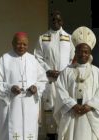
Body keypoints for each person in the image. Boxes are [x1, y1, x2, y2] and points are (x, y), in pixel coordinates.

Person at [54, 26, 99, 140]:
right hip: (71, 114)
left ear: (89, 53)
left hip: (90, 115)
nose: (82, 54)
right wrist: (72, 105)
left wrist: (90, 105)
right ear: (75, 52)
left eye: (85, 52)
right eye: (79, 51)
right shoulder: (66, 71)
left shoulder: (97, 72)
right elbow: (60, 90)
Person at [0, 32, 47, 140]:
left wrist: (36, 88)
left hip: (29, 104)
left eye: (24, 44)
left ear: (28, 45)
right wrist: (10, 88)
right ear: (12, 43)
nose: (21, 46)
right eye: (18, 43)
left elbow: (43, 80)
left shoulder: (33, 60)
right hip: (10, 105)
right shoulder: (4, 59)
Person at [34, 10, 75, 139]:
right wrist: (47, 70)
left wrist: (64, 71)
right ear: (50, 21)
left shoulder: (69, 38)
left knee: (63, 106)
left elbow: (73, 58)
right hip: (48, 80)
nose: (56, 22)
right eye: (53, 20)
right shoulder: (43, 38)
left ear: (62, 21)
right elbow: (37, 57)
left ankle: (63, 135)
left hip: (64, 80)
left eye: (59, 20)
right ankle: (51, 135)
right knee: (50, 108)